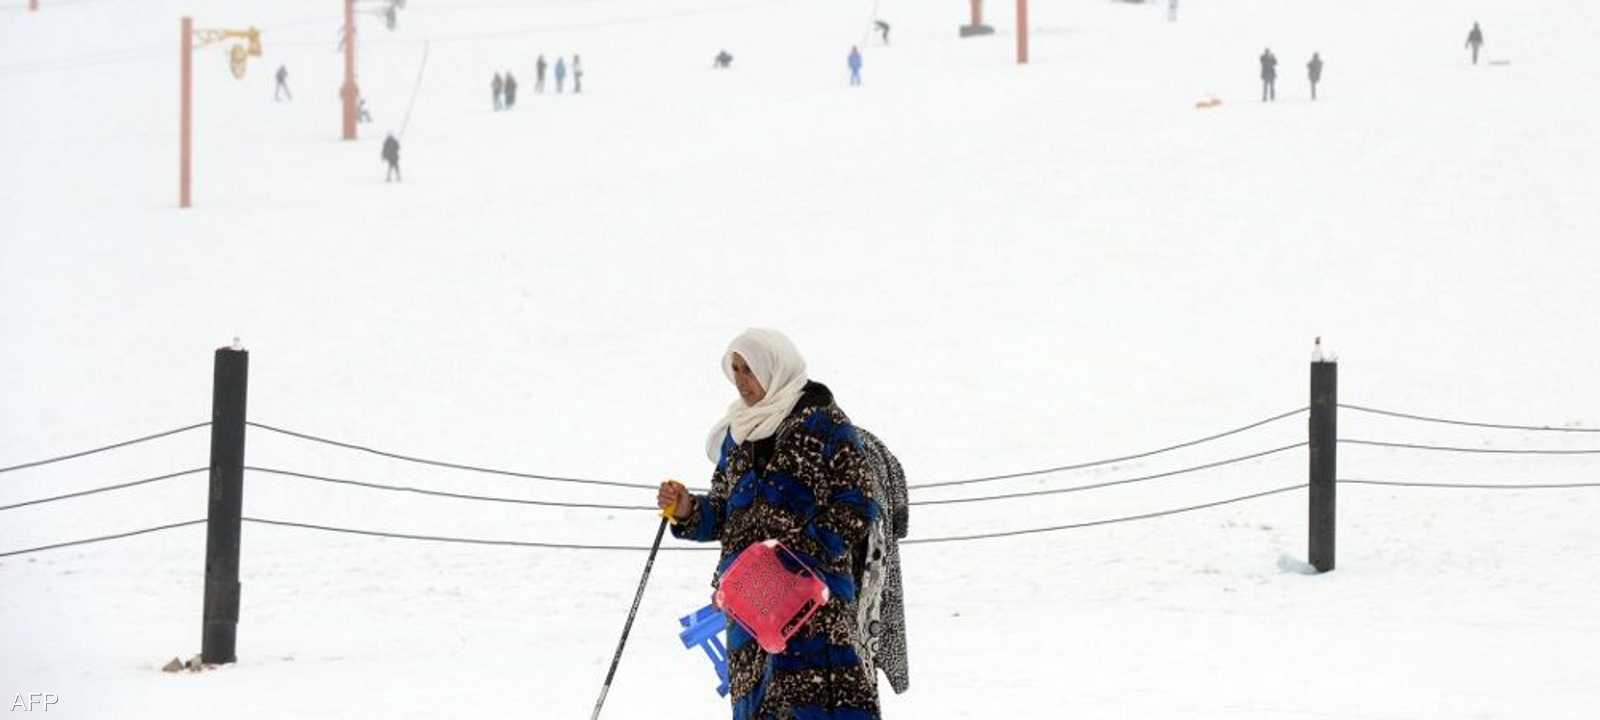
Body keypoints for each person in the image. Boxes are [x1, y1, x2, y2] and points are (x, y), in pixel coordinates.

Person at [656, 329, 882, 720]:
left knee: (823, 710)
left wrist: (795, 554)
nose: (743, 381)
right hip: (751, 605)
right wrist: (688, 510)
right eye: (737, 370)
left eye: (751, 369)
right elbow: (727, 515)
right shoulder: (736, 435)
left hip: (813, 602)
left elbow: (859, 503)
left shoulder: (825, 424)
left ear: (775, 367)